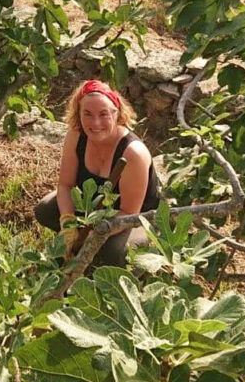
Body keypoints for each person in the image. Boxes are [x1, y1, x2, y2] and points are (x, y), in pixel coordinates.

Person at [34, 79, 159, 267]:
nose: (96, 123)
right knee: (45, 209)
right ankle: (71, 247)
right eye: (88, 114)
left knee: (117, 252)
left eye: (103, 114)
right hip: (95, 206)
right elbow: (65, 185)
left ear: (117, 114)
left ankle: (136, 268)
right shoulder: (76, 135)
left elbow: (129, 212)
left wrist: (89, 237)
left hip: (137, 217)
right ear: (78, 114)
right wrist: (68, 224)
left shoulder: (133, 153)